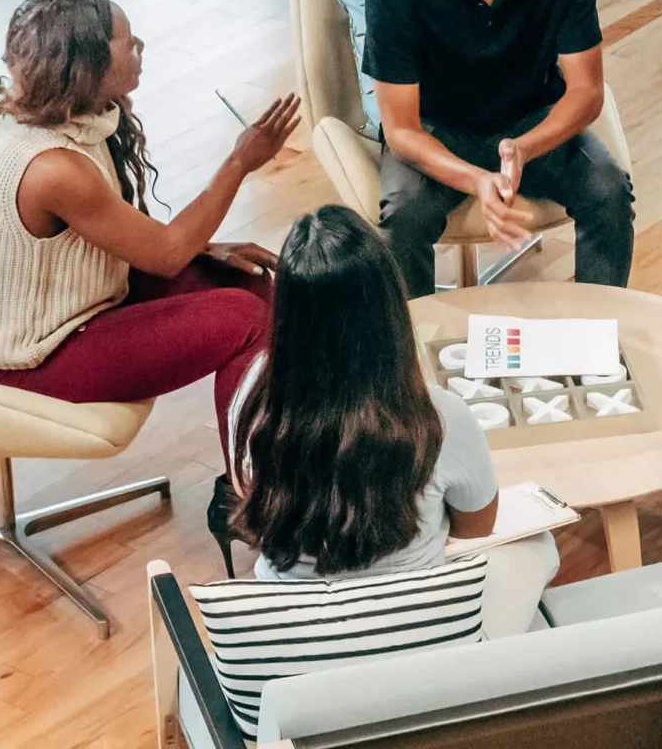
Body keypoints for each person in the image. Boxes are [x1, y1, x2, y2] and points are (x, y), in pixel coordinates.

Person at [0, 0, 300, 559]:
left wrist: (204, 249)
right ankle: (256, 501)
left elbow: (129, 238)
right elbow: (162, 254)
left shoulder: (68, 119)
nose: (138, 43)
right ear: (85, 65)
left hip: (71, 302)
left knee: (248, 284)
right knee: (241, 319)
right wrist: (240, 161)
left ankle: (277, 475)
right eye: (123, 39)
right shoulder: (53, 166)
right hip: (29, 357)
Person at [232, 205, 559, 637]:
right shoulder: (440, 416)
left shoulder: (254, 395)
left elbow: (250, 490)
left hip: (294, 634)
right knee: (538, 545)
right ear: (389, 309)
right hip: (416, 638)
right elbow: (475, 527)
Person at [363, 0, 635, 298]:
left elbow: (587, 91)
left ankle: (597, 336)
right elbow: (402, 129)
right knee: (404, 216)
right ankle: (410, 351)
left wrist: (524, 149)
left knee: (609, 193)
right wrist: (478, 180)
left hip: (534, 120)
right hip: (438, 130)